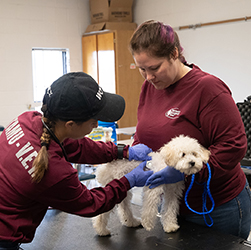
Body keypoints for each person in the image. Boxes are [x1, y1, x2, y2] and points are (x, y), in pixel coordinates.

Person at [0, 72, 153, 249]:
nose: (97, 125)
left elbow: (79, 147)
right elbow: (91, 202)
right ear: (70, 125)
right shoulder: (54, 172)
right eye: (94, 120)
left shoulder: (26, 120)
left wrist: (123, 151)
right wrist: (128, 181)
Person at [129, 20, 251, 239]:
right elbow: (143, 132)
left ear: (174, 53)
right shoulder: (150, 86)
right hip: (169, 205)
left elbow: (234, 146)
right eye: (142, 69)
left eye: (154, 68)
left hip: (215, 207)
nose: (148, 77)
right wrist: (137, 157)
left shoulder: (207, 89)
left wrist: (184, 172)